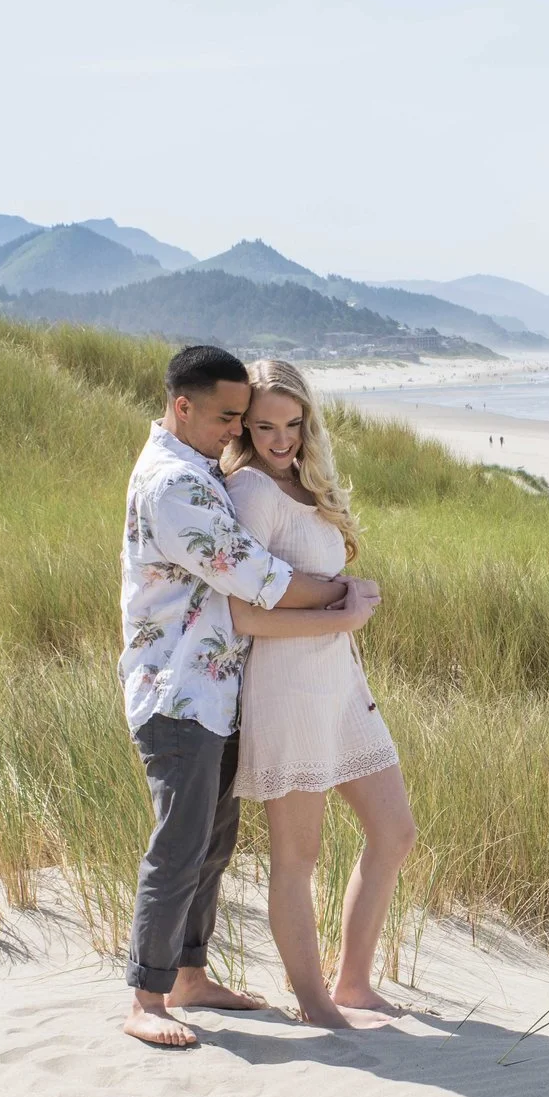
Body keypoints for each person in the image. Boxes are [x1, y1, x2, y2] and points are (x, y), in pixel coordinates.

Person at [118, 346, 365, 1049]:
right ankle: (146, 997)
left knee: (212, 842)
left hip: (216, 691)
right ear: (182, 406)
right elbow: (258, 577)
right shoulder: (174, 483)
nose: (237, 431)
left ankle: (189, 976)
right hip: (178, 694)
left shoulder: (197, 466)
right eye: (228, 418)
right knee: (179, 845)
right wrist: (343, 596)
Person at [223, 360, 414, 1030]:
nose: (281, 439)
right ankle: (316, 1004)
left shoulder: (308, 486)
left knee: (394, 831)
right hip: (289, 689)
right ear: (245, 427)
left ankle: (354, 983)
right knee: (297, 858)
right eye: (265, 426)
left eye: (293, 424)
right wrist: (342, 615)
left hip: (340, 686)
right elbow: (244, 615)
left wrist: (345, 610)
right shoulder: (250, 490)